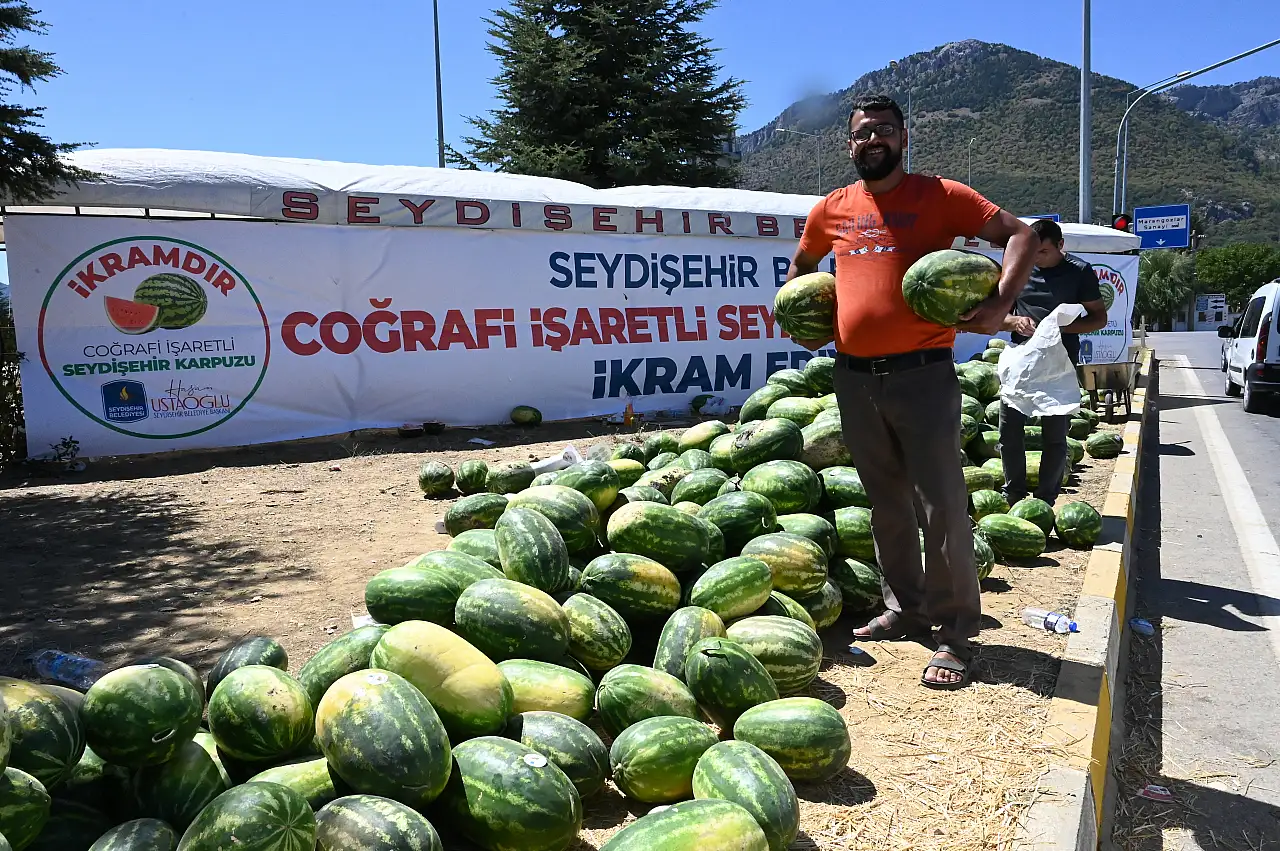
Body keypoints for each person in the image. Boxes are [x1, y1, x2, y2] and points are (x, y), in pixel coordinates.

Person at [786, 94, 1038, 690]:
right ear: (849, 144)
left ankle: (952, 633)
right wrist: (800, 316)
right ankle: (904, 606)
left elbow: (1021, 236)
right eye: (860, 133)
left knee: (941, 506)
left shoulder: (942, 196)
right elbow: (800, 268)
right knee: (886, 502)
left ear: (903, 137)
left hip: (923, 374)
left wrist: (1001, 303)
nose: (870, 140)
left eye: (882, 130)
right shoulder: (832, 208)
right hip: (852, 377)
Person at [998, 219, 1109, 506]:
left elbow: (1099, 318)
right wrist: (1014, 321)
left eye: (1043, 252)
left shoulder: (1079, 272)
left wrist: (1059, 329)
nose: (1036, 258)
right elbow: (997, 315)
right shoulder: (1018, 267)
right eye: (1032, 251)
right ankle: (1014, 495)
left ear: (1061, 246)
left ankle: (1045, 500)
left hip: (1060, 363)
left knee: (1055, 438)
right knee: (1009, 433)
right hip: (1021, 360)